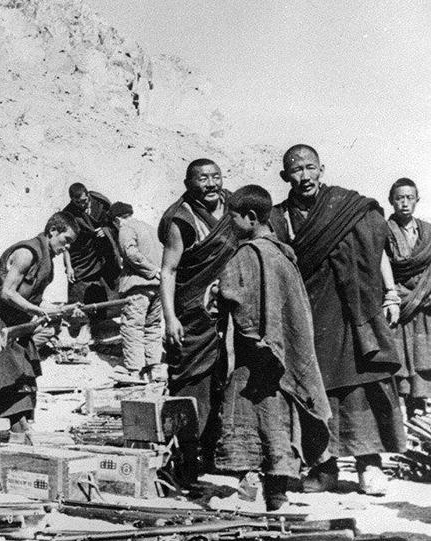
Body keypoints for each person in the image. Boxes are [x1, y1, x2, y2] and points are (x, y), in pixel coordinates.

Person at [269, 145, 404, 496]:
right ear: (285, 176)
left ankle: (369, 466)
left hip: (352, 310)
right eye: (296, 170)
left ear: (322, 169)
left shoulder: (347, 206)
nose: (305, 176)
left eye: (310, 167)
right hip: (308, 314)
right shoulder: (278, 217)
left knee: (362, 384)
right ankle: (324, 468)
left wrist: (390, 293)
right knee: (316, 389)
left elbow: (376, 249)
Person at [209, 185, 331, 511]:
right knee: (277, 423)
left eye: (232, 217)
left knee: (246, 416)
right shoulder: (283, 255)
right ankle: (277, 495)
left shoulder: (247, 254)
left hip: (252, 358)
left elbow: (236, 300)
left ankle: (249, 486)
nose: (229, 224)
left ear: (250, 217)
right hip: (281, 360)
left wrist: (216, 295)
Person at [158, 159, 236, 483]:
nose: (211, 184)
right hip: (193, 314)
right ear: (189, 184)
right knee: (191, 382)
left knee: (223, 382)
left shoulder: (233, 207)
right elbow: (168, 271)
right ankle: (186, 458)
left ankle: (215, 452)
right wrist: (170, 318)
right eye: (203, 179)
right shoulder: (183, 219)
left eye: (216, 177)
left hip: (230, 310)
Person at [0, 212, 78, 443]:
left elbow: (33, 299)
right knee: (7, 369)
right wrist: (38, 312)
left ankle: (20, 424)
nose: (66, 248)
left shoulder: (47, 260)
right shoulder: (27, 253)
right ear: (52, 231)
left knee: (25, 368)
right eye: (65, 240)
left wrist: (60, 310)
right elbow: (7, 292)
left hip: (16, 318)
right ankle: (17, 425)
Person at [384, 178, 431, 414]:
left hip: (424, 301)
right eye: (399, 198)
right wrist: (397, 293)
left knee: (423, 352)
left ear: (417, 200)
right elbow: (381, 266)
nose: (404, 203)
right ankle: (402, 404)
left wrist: (424, 291)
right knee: (401, 353)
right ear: (391, 201)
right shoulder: (384, 232)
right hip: (400, 303)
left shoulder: (428, 231)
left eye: (409, 198)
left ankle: (422, 403)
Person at [112, 201, 163, 382]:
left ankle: (134, 371)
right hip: (158, 286)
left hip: (138, 286)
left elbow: (130, 253)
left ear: (117, 219)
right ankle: (155, 368)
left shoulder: (126, 228)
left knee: (132, 327)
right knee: (153, 326)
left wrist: (151, 270)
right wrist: (158, 272)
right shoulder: (149, 228)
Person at [62, 184, 120, 338]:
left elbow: (115, 224)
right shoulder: (69, 213)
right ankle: (79, 325)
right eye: (78, 202)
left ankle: (105, 321)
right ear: (72, 200)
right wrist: (69, 267)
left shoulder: (101, 204)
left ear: (88, 195)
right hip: (83, 255)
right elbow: (66, 244)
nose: (82, 205)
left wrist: (106, 231)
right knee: (78, 285)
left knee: (109, 283)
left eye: (84, 201)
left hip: (104, 251)